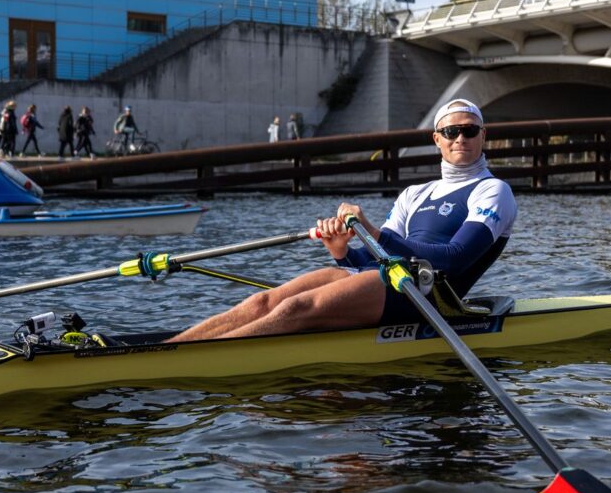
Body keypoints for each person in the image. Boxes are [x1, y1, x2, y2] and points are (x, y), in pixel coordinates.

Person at [168, 98, 517, 342]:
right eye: (452, 132)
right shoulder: (414, 194)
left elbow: (455, 259)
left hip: (431, 293)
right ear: (436, 139)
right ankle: (172, 350)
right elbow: (373, 259)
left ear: (483, 136)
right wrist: (341, 252)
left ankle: (196, 361)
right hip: (391, 280)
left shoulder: (492, 190)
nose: (461, 139)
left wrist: (372, 231)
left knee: (297, 307)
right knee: (264, 302)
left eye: (470, 131)